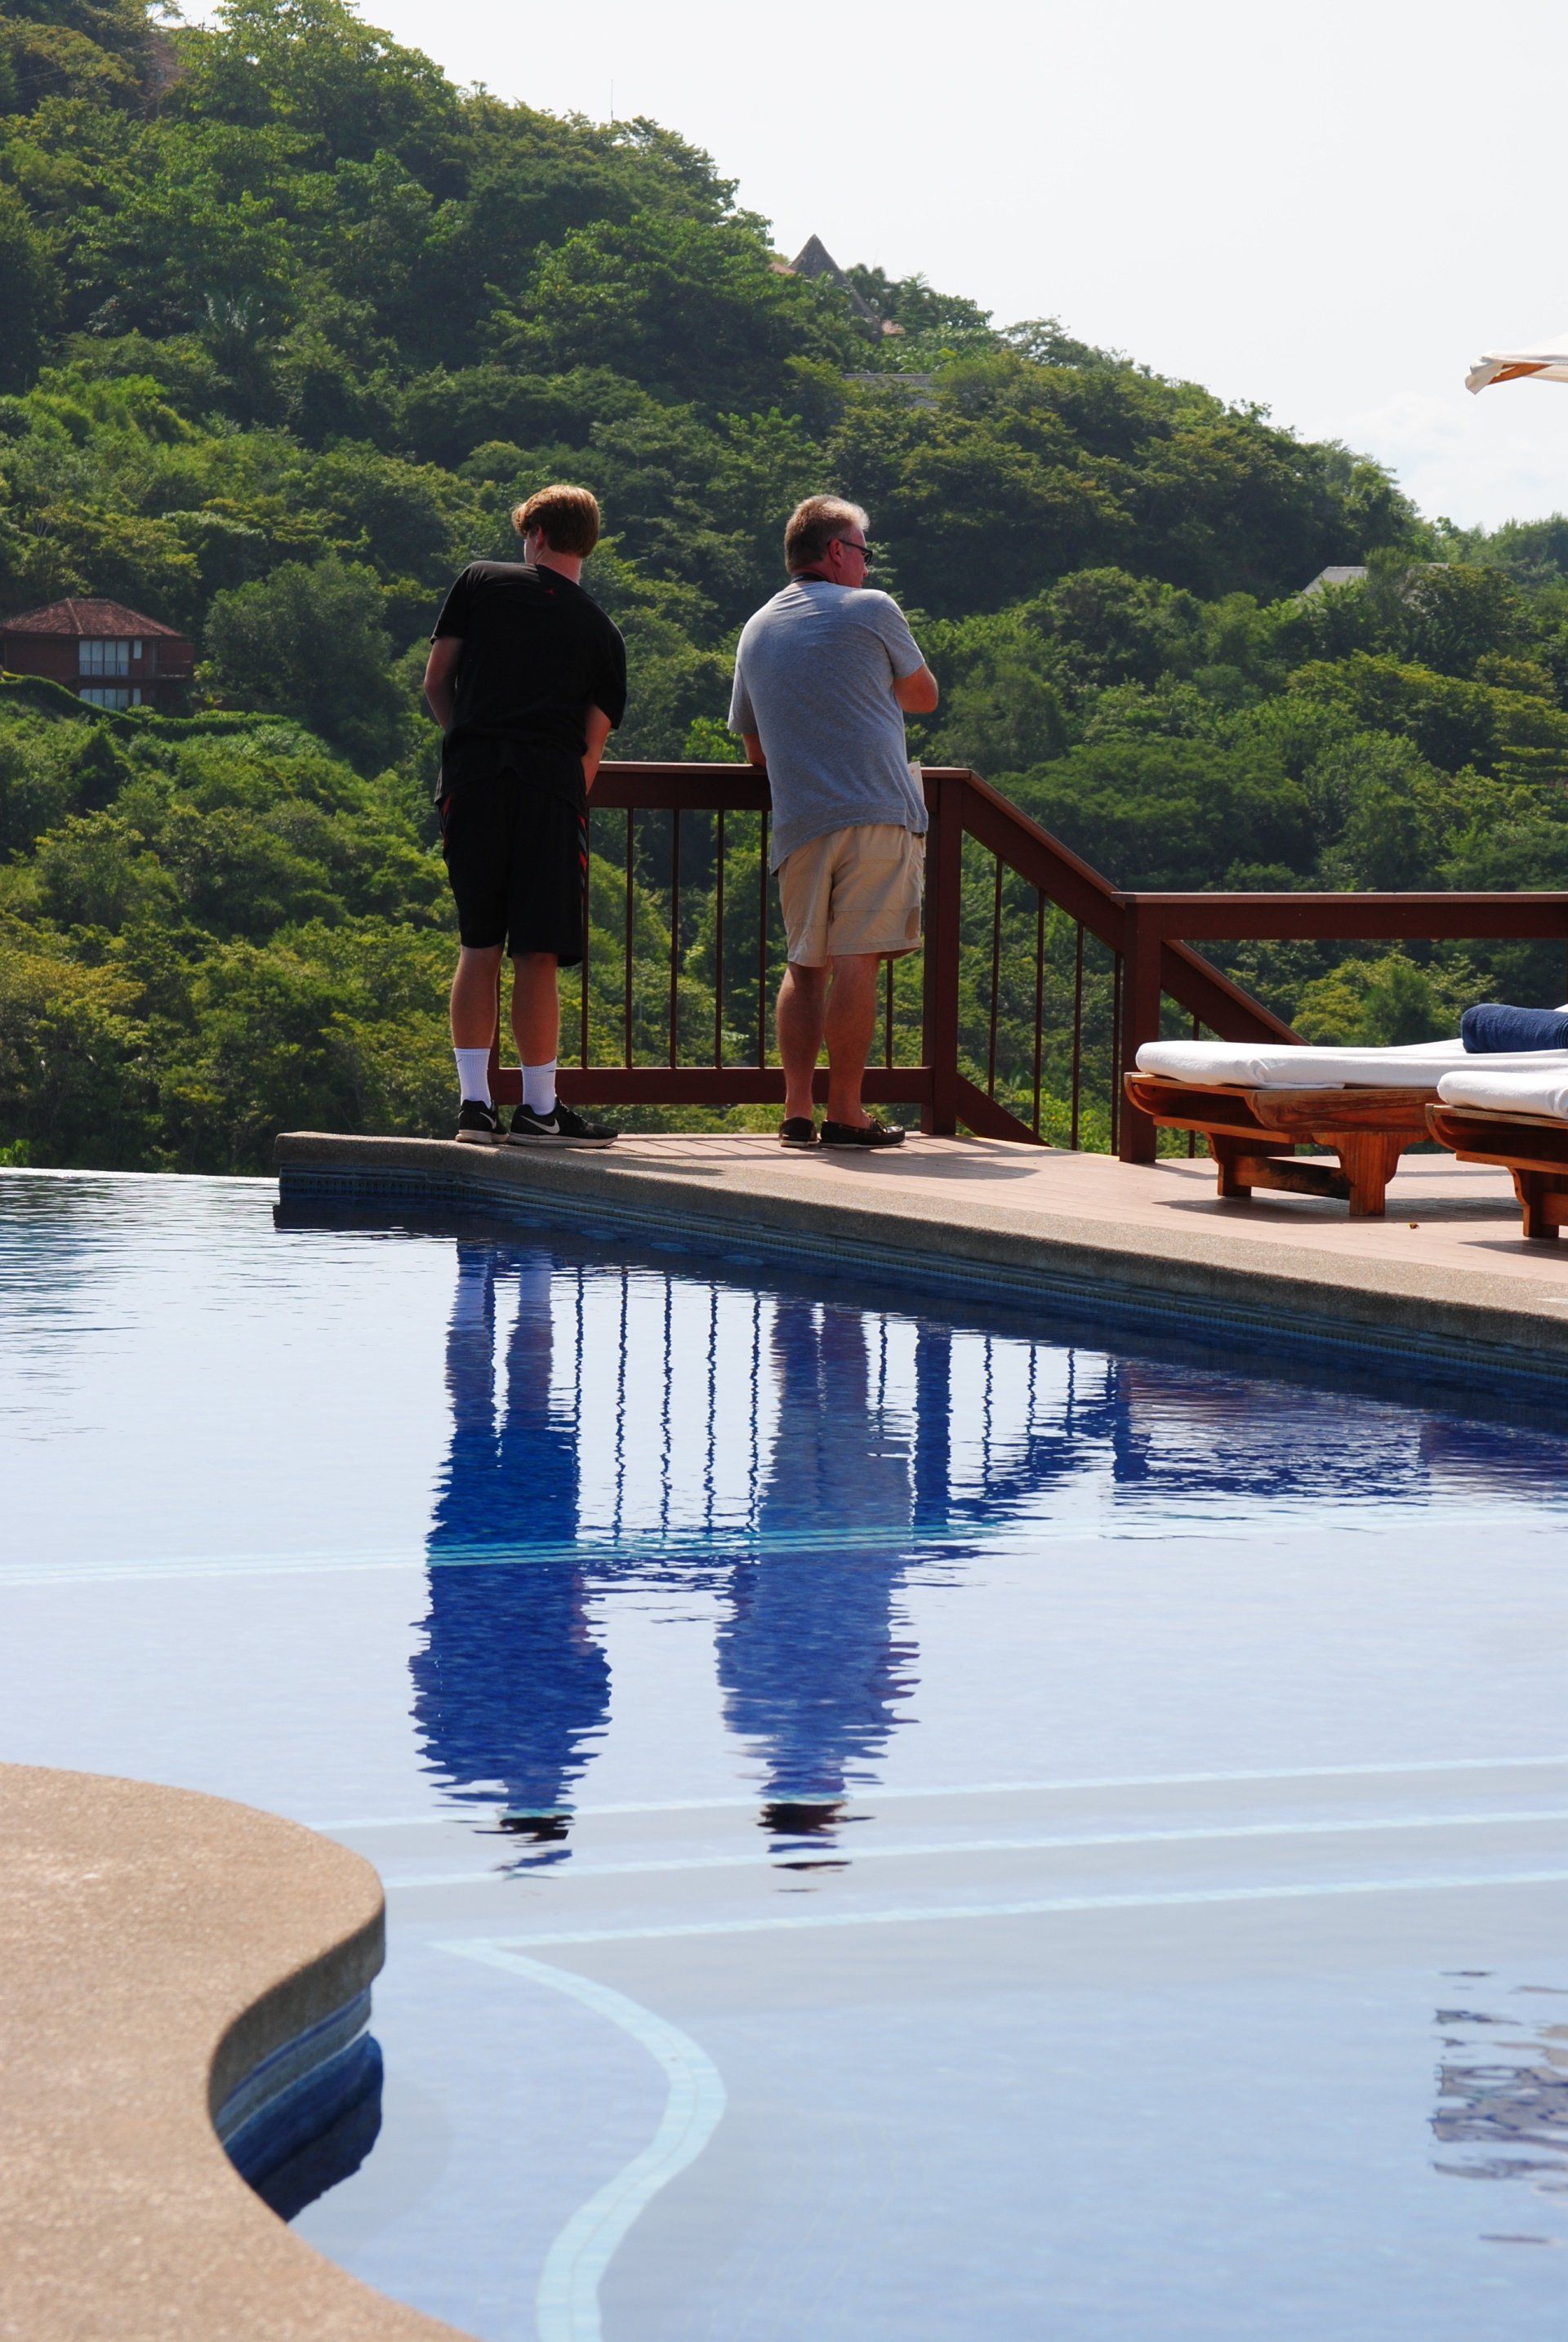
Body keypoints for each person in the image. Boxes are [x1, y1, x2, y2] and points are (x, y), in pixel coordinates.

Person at [728, 495, 939, 1149]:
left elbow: (755, 749)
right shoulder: (872, 609)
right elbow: (924, 697)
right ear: (838, 552)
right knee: (856, 961)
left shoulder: (756, 627)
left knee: (804, 964)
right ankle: (847, 1111)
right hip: (876, 808)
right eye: (864, 551)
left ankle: (795, 1110)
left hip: (799, 820)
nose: (867, 566)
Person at [423, 483, 625, 1147]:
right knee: (537, 953)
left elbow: (436, 681)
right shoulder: (602, 632)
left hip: (475, 781)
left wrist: (468, 746)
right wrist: (565, 793)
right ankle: (539, 1109)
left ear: (535, 534)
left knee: (479, 942)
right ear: (585, 544)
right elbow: (591, 745)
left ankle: (474, 1106)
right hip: (551, 792)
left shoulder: (481, 582)